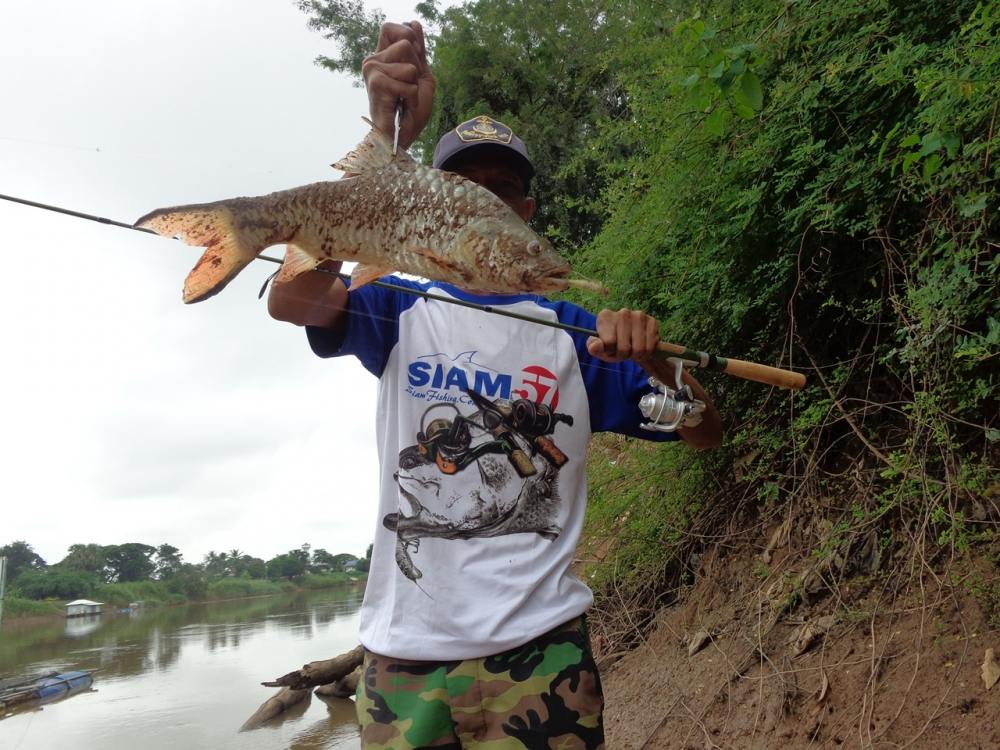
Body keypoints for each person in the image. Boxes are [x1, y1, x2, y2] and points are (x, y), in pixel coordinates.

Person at [268, 21, 722, 749]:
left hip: (541, 653)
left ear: (528, 213)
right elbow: (290, 301)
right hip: (402, 657)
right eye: (462, 189)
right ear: (434, 206)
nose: (482, 203)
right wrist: (387, 153)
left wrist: (658, 366)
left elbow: (703, 431)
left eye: (503, 190)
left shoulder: (577, 330)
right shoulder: (398, 304)